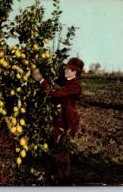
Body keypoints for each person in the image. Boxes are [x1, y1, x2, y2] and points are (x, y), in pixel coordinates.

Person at [32, 57, 84, 185]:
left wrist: (41, 80)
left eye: (68, 68)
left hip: (67, 123)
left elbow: (55, 94)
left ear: (74, 72)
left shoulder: (75, 85)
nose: (65, 70)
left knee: (62, 152)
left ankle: (63, 181)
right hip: (60, 120)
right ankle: (58, 176)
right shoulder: (68, 81)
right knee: (58, 150)